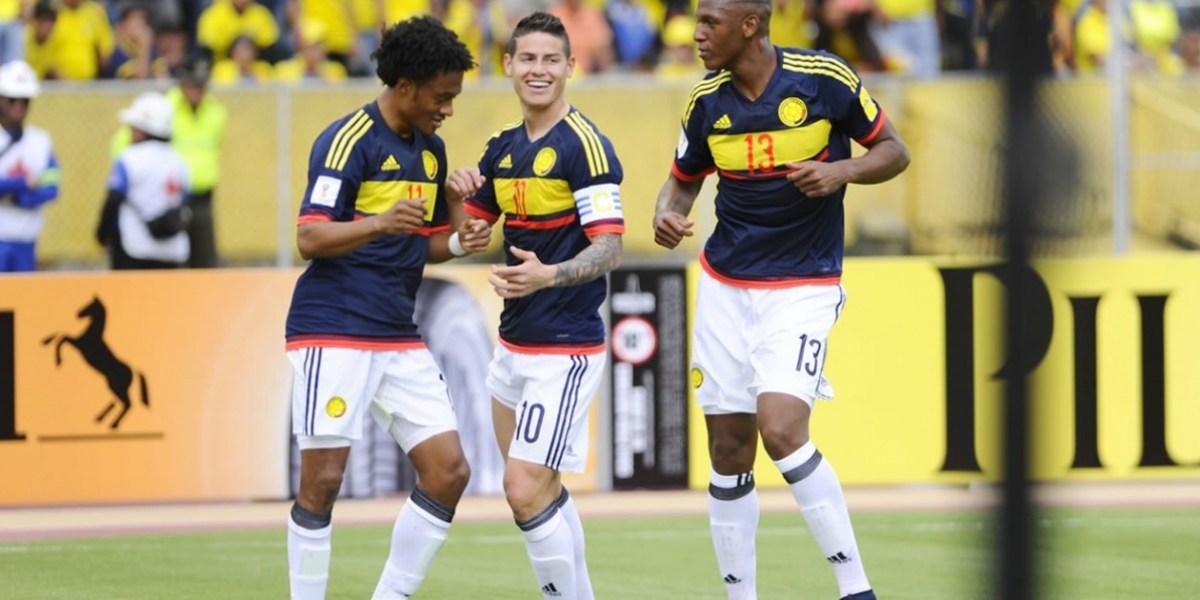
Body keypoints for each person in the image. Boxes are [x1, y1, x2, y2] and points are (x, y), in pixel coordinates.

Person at [652, 0, 911, 598]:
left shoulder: (825, 79)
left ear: (750, 25)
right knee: (727, 447)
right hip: (725, 286)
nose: (695, 34)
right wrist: (668, 213)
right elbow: (684, 179)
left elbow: (895, 150)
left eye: (709, 22)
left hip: (802, 282)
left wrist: (840, 174)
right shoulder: (705, 101)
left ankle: (856, 589)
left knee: (783, 428)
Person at [282, 16, 489, 600]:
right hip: (334, 327)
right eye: (441, 96)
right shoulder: (348, 140)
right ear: (404, 86)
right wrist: (376, 222)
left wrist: (457, 238)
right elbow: (310, 237)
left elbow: (421, 243)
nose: (447, 108)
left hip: (398, 332)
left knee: (450, 471)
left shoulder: (431, 152)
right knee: (323, 481)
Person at [450, 12, 624, 600]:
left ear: (571, 68)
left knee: (522, 488)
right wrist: (459, 198)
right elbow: (469, 236)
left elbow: (610, 246)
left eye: (552, 60)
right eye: (528, 58)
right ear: (509, 66)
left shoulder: (587, 146)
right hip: (512, 345)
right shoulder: (502, 147)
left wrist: (548, 274)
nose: (539, 70)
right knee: (538, 490)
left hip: (564, 347)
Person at [96, 92, 191, 270]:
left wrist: (102, 234)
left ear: (143, 129)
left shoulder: (128, 158)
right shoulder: (180, 162)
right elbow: (186, 201)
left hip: (133, 248)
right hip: (172, 251)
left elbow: (113, 199)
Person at [0, 59, 58, 272]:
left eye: (25, 100)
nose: (19, 106)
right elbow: (34, 182)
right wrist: (23, 182)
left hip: (27, 240)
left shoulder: (40, 141)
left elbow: (52, 187)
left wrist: (16, 197)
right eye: (13, 99)